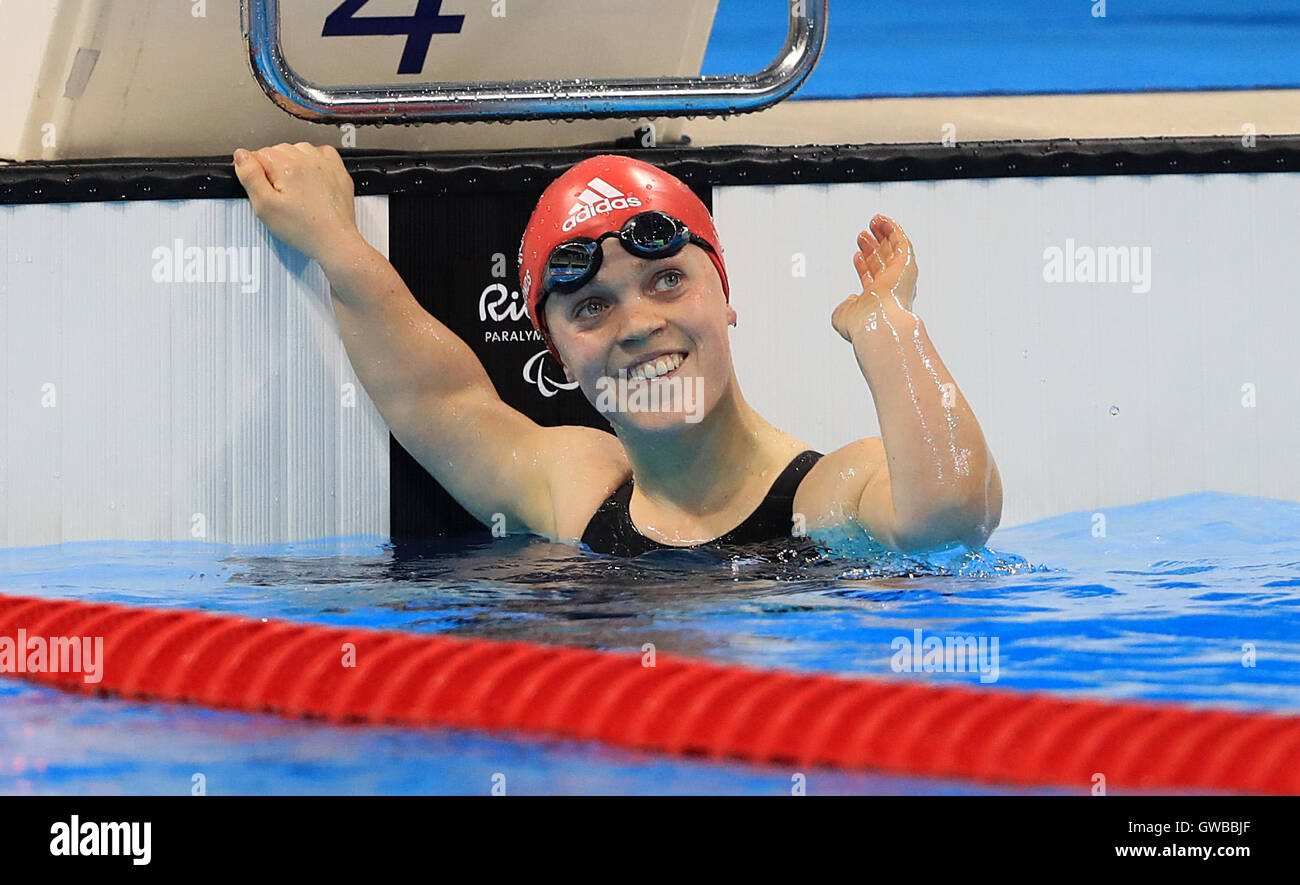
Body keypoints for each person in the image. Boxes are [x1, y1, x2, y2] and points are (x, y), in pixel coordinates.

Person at [232, 143, 1002, 556]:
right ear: (560, 355)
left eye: (667, 280)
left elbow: (953, 520)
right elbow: (437, 399)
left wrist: (886, 326)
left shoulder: (827, 494)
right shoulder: (577, 490)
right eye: (593, 305)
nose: (637, 324)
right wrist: (333, 238)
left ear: (726, 298)